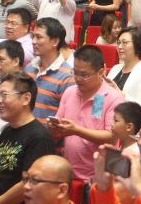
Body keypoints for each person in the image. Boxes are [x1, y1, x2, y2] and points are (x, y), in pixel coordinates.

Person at [0, 72, 58, 204]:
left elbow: (27, 183)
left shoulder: (39, 137)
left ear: (26, 98)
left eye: (4, 95)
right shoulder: (7, 130)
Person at [50, 45, 125, 184]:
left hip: (97, 178)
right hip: (68, 173)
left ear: (101, 72)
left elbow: (112, 137)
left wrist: (77, 130)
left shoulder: (113, 98)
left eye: (84, 75)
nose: (78, 79)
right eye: (75, 72)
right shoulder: (69, 92)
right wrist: (55, 129)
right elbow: (59, 127)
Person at [25, 17, 75, 122]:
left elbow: (68, 119)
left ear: (55, 41)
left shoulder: (67, 77)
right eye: (33, 36)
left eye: (39, 37)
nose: (33, 41)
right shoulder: (29, 68)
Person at [109, 26, 141, 108]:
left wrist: (120, 94)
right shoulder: (115, 68)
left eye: (125, 42)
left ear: (137, 45)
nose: (119, 47)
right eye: (119, 42)